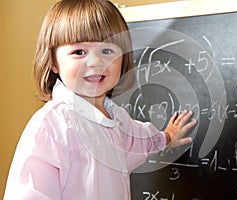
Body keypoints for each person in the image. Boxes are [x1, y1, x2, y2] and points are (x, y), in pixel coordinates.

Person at [4, 0, 197, 199]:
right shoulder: (52, 125)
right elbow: (29, 192)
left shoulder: (117, 118)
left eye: (107, 51)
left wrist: (165, 137)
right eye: (79, 52)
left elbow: (138, 140)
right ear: (53, 61)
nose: (96, 62)